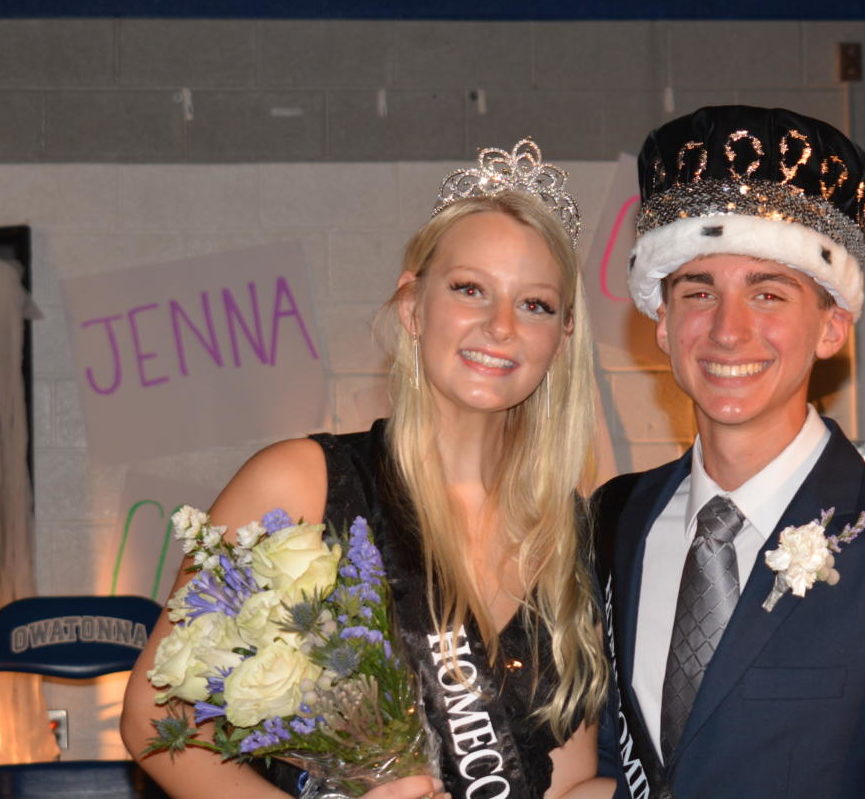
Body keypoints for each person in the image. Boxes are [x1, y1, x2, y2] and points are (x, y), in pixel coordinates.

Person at [122, 139, 613, 799]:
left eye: (535, 304)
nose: (500, 326)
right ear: (413, 306)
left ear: (563, 336)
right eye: (471, 289)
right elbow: (158, 718)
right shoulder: (303, 484)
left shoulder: (569, 535)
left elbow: (564, 777)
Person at [594, 106, 865, 798]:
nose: (728, 330)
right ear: (663, 323)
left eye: (768, 292)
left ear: (832, 326)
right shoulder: (617, 521)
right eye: (699, 291)